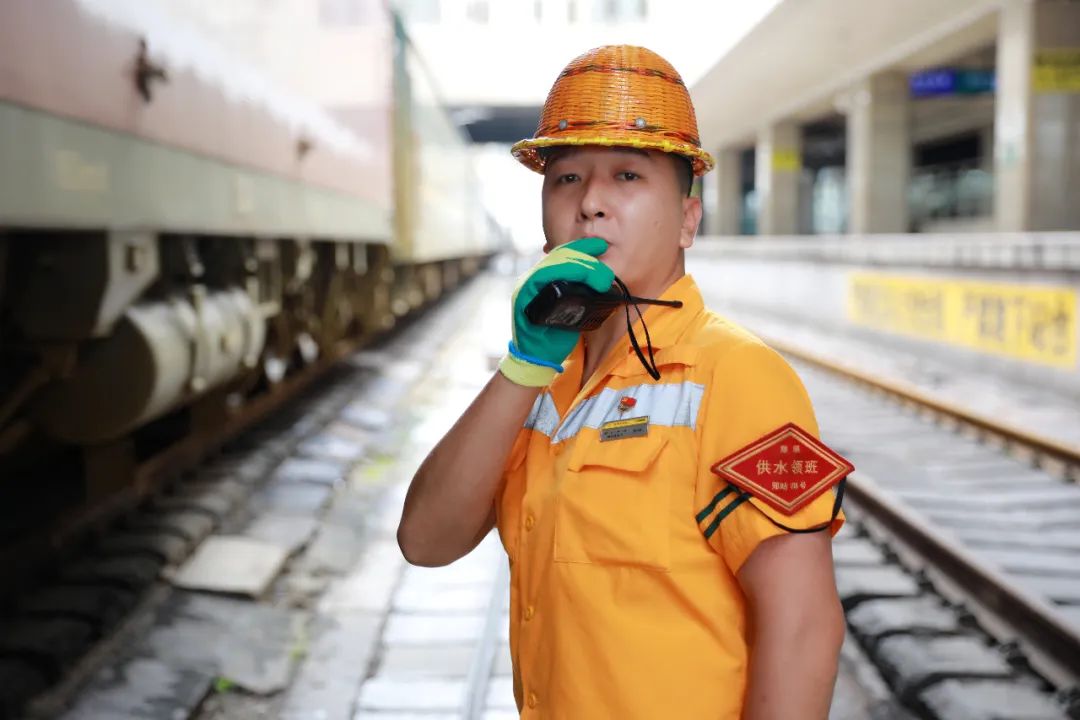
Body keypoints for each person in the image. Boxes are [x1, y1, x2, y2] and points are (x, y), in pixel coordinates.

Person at [398, 45, 848, 719]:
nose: (591, 205)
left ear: (688, 218)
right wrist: (522, 366)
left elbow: (804, 627)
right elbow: (424, 541)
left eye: (628, 176)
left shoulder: (738, 376)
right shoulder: (542, 380)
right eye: (567, 178)